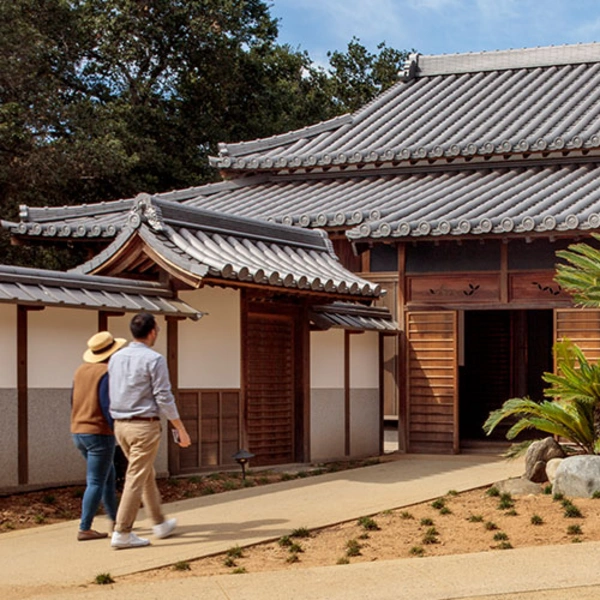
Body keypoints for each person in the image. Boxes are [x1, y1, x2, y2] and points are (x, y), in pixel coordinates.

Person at [108, 312, 191, 549]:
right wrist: (180, 428)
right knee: (136, 476)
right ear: (153, 331)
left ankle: (159, 522)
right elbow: (164, 396)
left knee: (144, 473)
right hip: (144, 425)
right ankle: (122, 531)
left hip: (121, 425)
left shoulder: (115, 358)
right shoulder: (154, 359)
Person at [71, 330, 127, 541]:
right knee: (96, 481)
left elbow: (72, 400)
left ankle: (116, 520)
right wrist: (116, 428)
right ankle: (85, 527)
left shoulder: (80, 371)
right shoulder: (106, 372)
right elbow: (106, 404)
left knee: (108, 475)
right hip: (99, 433)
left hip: (78, 431)